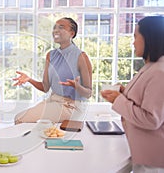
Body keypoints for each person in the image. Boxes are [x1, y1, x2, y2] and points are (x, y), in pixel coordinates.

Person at [101, 16, 164, 172]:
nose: (133, 42)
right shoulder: (150, 67)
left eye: (136, 36)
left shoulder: (159, 72)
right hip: (141, 151)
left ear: (149, 38)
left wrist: (119, 100)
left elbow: (152, 119)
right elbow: (143, 100)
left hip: (152, 158)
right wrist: (123, 94)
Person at [13, 17, 92, 124]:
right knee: (20, 118)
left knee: (20, 119)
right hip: (53, 100)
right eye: (55, 28)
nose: (55, 30)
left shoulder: (81, 57)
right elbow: (45, 87)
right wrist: (29, 79)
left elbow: (88, 93)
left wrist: (76, 86)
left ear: (71, 33)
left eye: (61, 27)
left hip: (71, 106)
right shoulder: (51, 55)